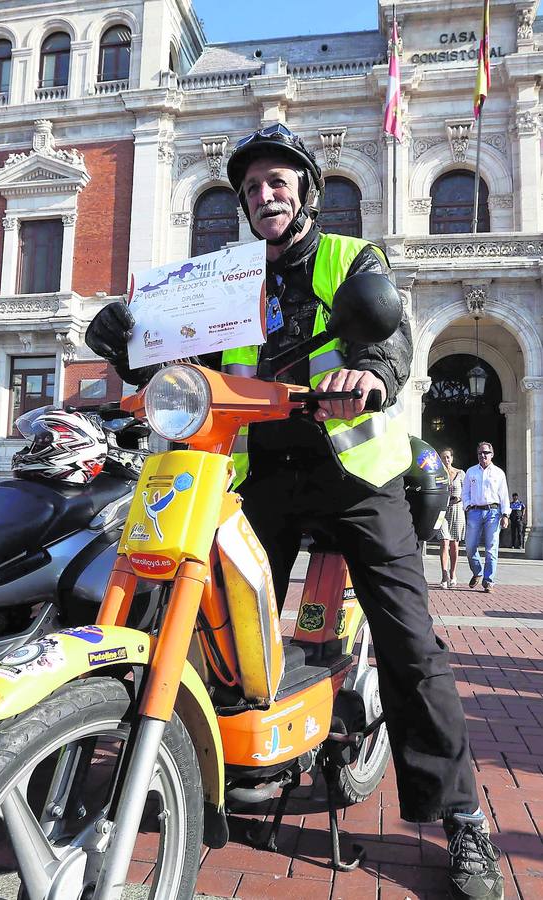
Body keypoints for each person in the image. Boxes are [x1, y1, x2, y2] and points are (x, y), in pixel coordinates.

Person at [84, 124, 503, 900]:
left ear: (304, 192)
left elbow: (392, 339)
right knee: (215, 625)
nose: (263, 197)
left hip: (352, 471)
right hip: (259, 470)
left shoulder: (352, 260)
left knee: (410, 644)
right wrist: (126, 342)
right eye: (250, 189)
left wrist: (371, 376)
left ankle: (463, 817)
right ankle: (228, 758)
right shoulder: (221, 279)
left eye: (278, 183)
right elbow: (182, 357)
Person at [463, 442, 510, 593]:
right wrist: (468, 506)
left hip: (493, 512)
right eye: (480, 453)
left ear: (492, 454)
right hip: (475, 512)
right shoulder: (471, 472)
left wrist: (505, 514)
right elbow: (465, 493)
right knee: (470, 546)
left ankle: (489, 580)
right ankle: (477, 571)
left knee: (491, 548)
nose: (483, 455)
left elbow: (504, 495)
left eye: (486, 452)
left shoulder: (498, 473)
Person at [438, 448, 466, 588]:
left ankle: (453, 573)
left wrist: (460, 498)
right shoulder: (438, 474)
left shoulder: (460, 473)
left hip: (457, 510)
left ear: (452, 458)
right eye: (443, 458)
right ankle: (444, 574)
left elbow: (467, 492)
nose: (446, 460)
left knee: (455, 544)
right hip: (443, 511)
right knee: (444, 542)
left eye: (448, 457)